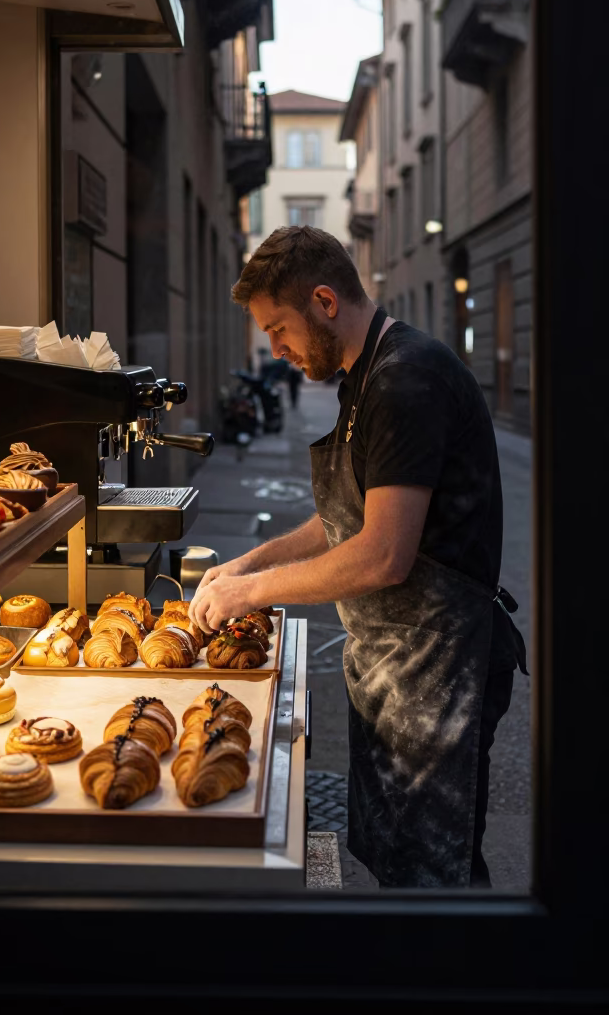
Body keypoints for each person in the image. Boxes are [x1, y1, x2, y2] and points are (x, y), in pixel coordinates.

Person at [190, 226, 526, 888]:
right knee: (396, 859)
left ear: (324, 300)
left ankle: (459, 986)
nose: (276, 349)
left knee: (435, 876)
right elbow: (341, 518)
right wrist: (248, 564)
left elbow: (382, 553)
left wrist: (249, 595)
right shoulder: (365, 375)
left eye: (279, 329)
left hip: (440, 668)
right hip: (396, 665)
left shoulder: (406, 380)